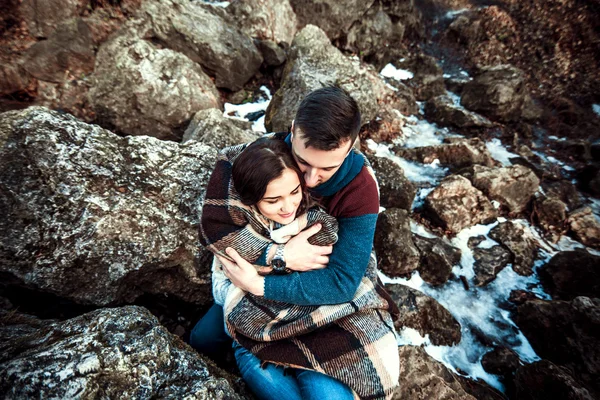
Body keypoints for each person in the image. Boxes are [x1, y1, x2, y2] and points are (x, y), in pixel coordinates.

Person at [191, 86, 399, 398]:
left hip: (319, 295)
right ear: (292, 132)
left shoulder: (362, 189)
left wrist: (262, 287)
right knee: (201, 341)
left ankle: (255, 344)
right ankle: (248, 344)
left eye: (328, 168)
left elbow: (342, 282)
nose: (312, 179)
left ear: (352, 146)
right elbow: (217, 228)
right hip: (258, 284)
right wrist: (279, 256)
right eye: (303, 163)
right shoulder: (261, 159)